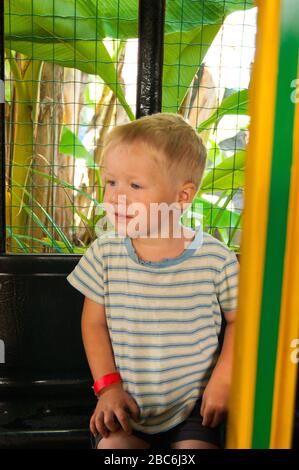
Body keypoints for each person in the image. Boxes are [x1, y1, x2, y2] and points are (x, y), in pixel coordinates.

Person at [66, 112, 239, 449]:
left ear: (182, 196)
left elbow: (241, 320)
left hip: (194, 409)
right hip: (124, 408)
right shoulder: (105, 253)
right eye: (111, 182)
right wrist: (108, 388)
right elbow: (93, 325)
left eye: (134, 185)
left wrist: (224, 379)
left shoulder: (216, 260)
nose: (116, 196)